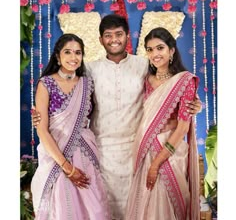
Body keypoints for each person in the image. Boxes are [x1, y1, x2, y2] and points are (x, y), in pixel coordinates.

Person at [32, 14, 201, 220]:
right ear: (100, 39)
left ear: (127, 36)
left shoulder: (143, 64)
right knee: (103, 209)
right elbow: (71, 98)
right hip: (102, 153)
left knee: (137, 209)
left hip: (137, 150)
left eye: (119, 34)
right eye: (108, 35)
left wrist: (194, 104)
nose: (114, 39)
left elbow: (167, 87)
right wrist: (45, 118)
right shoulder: (89, 70)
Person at [31, 33, 110, 220]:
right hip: (56, 155)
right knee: (62, 209)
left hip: (85, 154)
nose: (73, 57)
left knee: (95, 209)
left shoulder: (86, 83)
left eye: (78, 53)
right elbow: (42, 129)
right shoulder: (46, 84)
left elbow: (87, 117)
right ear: (58, 56)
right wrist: (67, 167)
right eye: (68, 52)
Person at [125, 27, 200, 220]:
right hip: (144, 150)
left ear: (171, 50)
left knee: (166, 205)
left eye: (160, 48)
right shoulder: (146, 80)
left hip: (169, 153)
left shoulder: (185, 81)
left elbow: (182, 127)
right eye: (150, 50)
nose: (155, 54)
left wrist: (156, 164)